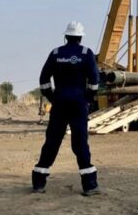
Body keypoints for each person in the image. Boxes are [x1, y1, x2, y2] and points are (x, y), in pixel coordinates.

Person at [32, 21, 100, 196]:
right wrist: (88, 99)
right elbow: (94, 81)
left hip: (60, 104)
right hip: (78, 105)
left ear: (66, 36)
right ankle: (89, 185)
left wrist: (52, 97)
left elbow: (44, 79)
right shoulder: (87, 53)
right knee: (80, 143)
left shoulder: (56, 53)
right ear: (80, 37)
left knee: (52, 141)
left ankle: (39, 182)